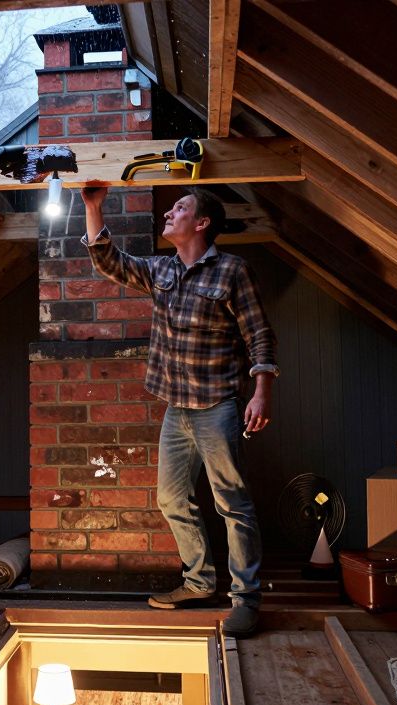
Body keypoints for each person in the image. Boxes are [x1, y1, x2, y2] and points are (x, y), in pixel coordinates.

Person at [80, 186, 278, 637]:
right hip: (176, 408)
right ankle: (199, 581)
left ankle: (246, 599)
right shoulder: (162, 270)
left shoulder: (232, 272)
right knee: (171, 499)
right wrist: (93, 207)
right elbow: (111, 262)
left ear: (202, 223)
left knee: (233, 504)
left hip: (218, 406)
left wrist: (262, 391)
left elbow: (260, 335)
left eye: (181, 208)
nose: (169, 212)